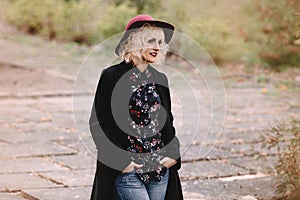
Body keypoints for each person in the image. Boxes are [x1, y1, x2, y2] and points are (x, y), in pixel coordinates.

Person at [89, 14, 183, 200]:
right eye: (150, 40)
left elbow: (167, 123)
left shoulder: (160, 79)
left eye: (160, 42)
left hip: (159, 169)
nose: (157, 47)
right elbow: (99, 123)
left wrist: (173, 155)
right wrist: (122, 162)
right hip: (128, 169)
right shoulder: (111, 76)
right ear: (134, 42)